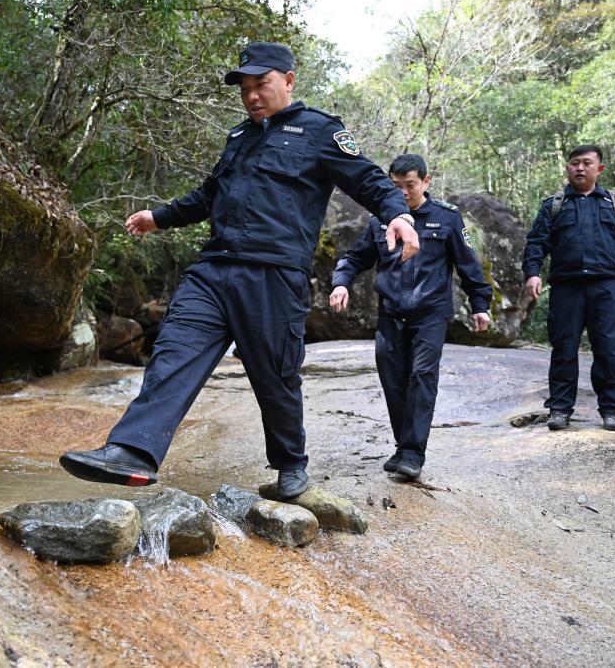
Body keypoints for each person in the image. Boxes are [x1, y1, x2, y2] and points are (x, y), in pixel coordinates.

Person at [59, 42, 421, 498]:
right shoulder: (238, 138)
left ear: (288, 80)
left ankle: (290, 461)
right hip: (213, 271)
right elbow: (208, 195)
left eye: (261, 85)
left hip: (273, 276)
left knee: (275, 377)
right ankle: (133, 452)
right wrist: (159, 216)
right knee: (172, 354)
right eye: (245, 88)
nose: (251, 96)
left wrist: (399, 216)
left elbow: (368, 180)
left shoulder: (320, 132)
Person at [329, 154, 492, 479]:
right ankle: (404, 446)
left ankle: (413, 454)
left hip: (430, 315)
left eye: (410, 185)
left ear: (426, 182)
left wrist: (480, 304)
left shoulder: (447, 218)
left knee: (421, 378)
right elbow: (355, 258)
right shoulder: (380, 220)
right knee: (393, 381)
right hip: (390, 315)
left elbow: (468, 264)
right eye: (396, 186)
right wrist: (341, 283)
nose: (403, 192)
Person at [522, 145, 615, 432]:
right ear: (568, 168)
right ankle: (559, 409)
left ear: (599, 169)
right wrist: (533, 273)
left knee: (608, 348)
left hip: (606, 286)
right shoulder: (554, 205)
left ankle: (612, 410)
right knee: (564, 348)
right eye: (574, 163)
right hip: (567, 287)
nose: (580, 168)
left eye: (587, 163)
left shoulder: (614, 203)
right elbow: (536, 242)